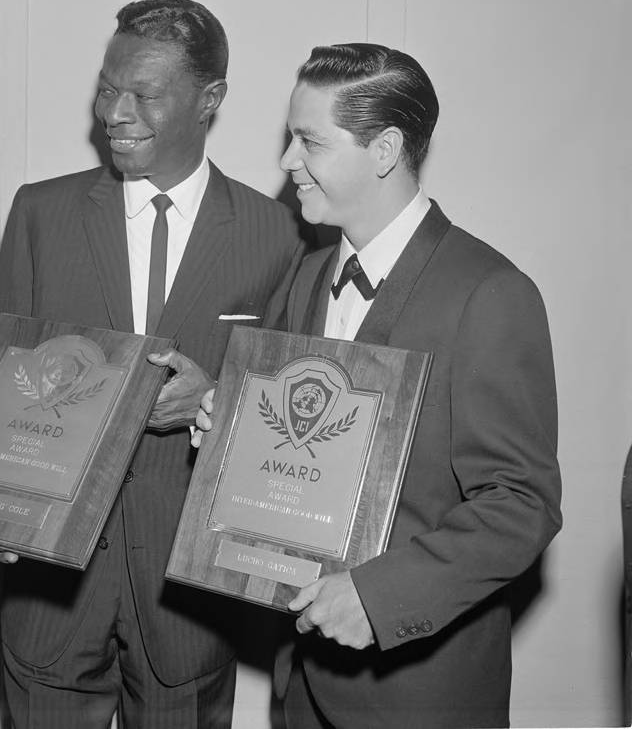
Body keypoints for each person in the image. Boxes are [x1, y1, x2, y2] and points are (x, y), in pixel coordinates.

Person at [197, 42, 563, 727]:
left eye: (309, 140)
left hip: (420, 694)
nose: (285, 161)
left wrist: (378, 596)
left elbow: (521, 503)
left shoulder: (490, 293)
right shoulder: (304, 274)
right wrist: (228, 429)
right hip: (301, 683)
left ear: (386, 149)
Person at [0, 0, 303, 727]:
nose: (114, 112)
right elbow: (0, 397)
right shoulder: (41, 213)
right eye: (106, 87)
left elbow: (286, 424)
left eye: (145, 95)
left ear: (210, 98)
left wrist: (214, 399)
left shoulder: (279, 232)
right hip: (48, 599)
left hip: (189, 609)